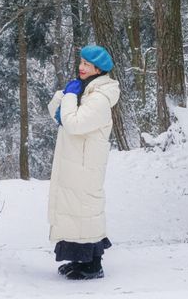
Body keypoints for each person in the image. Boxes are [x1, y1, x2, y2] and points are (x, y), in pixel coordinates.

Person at [47, 44, 120, 281]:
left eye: (87, 65)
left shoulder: (99, 98)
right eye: (81, 62)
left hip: (85, 165)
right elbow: (55, 112)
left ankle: (93, 264)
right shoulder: (86, 91)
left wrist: (69, 95)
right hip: (74, 161)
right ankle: (79, 259)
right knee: (73, 211)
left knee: (86, 210)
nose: (81, 67)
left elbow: (74, 124)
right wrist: (65, 95)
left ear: (98, 69)